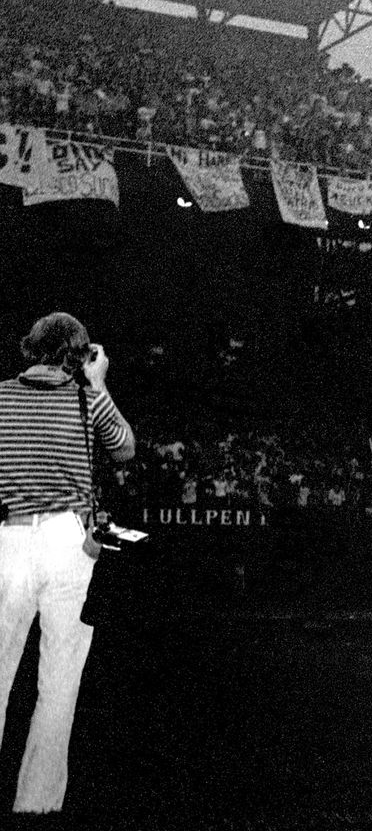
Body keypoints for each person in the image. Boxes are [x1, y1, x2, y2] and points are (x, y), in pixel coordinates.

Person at [0, 312, 133, 815]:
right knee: (58, 680)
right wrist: (98, 383)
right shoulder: (84, 397)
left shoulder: (1, 397)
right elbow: (125, 449)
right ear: (78, 354)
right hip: (68, 543)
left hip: (10, 537)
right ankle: (36, 803)